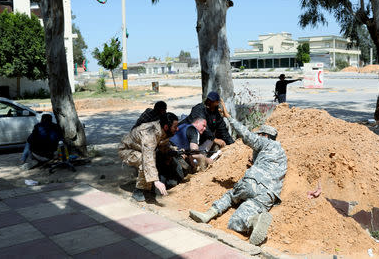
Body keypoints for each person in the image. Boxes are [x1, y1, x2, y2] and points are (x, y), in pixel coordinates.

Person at [189, 99, 287, 245]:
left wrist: (228, 117)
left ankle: (208, 214)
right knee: (236, 221)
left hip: (252, 183)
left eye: (260, 135)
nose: (258, 137)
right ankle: (253, 221)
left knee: (230, 195)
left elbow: (246, 135)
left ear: (265, 136)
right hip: (269, 195)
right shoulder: (283, 155)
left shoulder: (265, 142)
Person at [119, 112, 179, 202]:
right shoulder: (149, 134)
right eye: (175, 127)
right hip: (126, 150)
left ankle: (150, 184)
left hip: (141, 148)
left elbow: (163, 143)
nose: (177, 129)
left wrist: (173, 151)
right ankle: (139, 190)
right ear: (166, 127)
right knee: (144, 161)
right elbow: (148, 158)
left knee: (164, 155)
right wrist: (156, 180)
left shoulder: (161, 128)